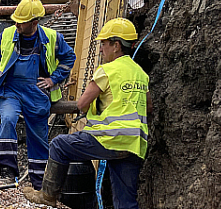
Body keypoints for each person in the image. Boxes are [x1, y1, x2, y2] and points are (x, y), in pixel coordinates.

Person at [23, 18, 152, 209]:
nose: (101, 49)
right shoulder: (140, 73)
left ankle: (47, 196)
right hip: (134, 143)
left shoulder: (107, 71)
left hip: (110, 138)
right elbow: (148, 106)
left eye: (104, 44)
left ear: (116, 45)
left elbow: (82, 104)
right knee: (126, 202)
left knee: (59, 145)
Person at [0, 0, 76, 190]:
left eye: (21, 21)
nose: (16, 23)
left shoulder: (52, 38)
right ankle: (8, 173)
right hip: (10, 89)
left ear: (35, 23)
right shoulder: (6, 36)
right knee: (8, 119)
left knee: (37, 135)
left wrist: (53, 79)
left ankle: (39, 183)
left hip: (36, 92)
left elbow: (69, 58)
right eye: (16, 20)